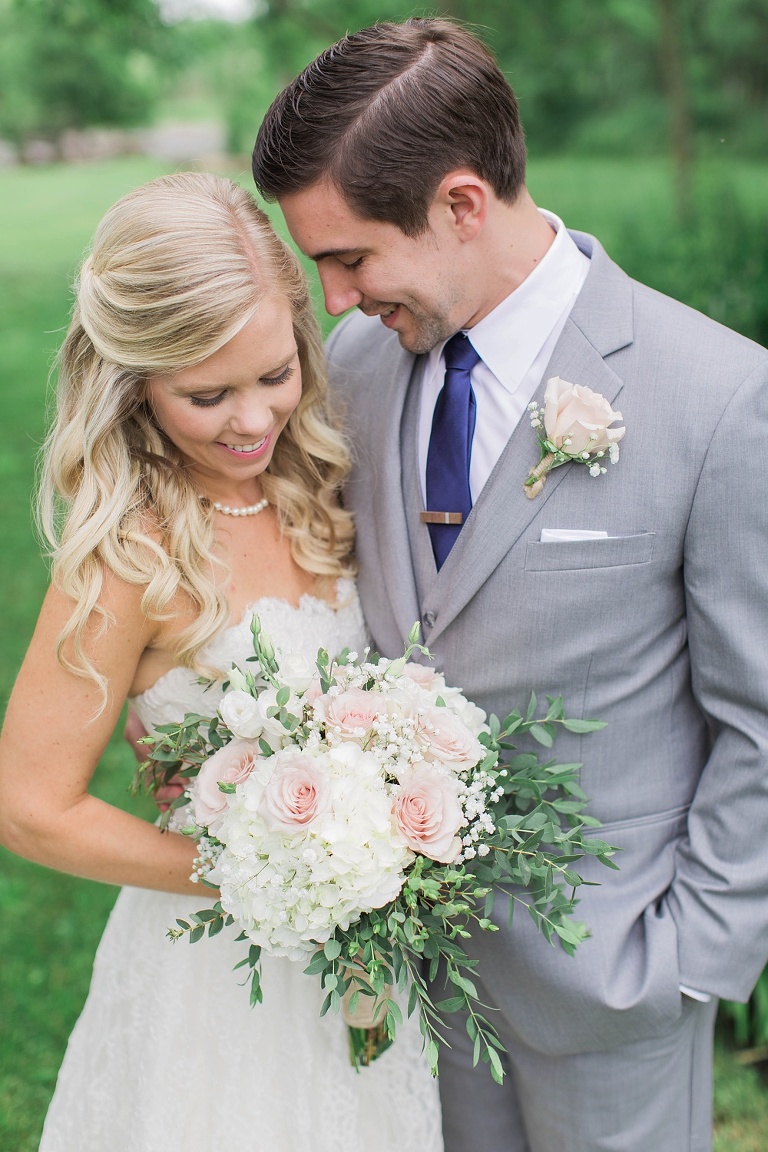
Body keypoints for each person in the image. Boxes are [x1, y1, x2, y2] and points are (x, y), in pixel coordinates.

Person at [251, 17, 768, 1152]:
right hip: (411, 979)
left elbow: (761, 720)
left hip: (614, 991)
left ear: (462, 203)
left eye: (350, 256)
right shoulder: (359, 369)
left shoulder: (717, 397)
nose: (332, 298)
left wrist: (690, 961)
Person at [0, 172, 443, 1152]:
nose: (252, 420)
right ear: (137, 381)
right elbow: (31, 808)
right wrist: (264, 873)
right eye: (207, 395)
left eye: (275, 374)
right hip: (212, 980)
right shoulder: (134, 553)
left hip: (360, 965)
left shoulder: (321, 487)